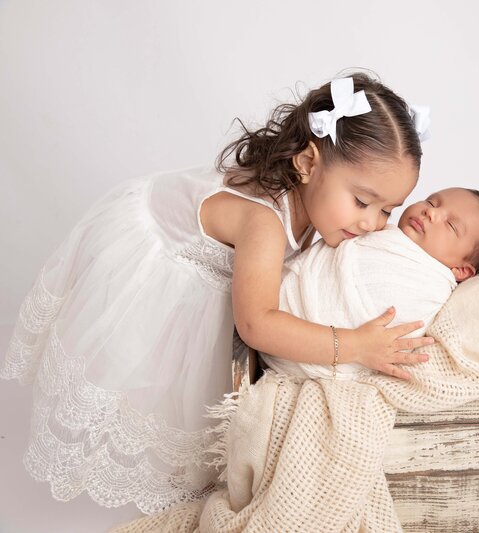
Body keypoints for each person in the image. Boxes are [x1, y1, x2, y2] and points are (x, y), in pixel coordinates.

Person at [0, 73, 434, 514]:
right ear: (307, 163)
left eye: (388, 210)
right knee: (154, 366)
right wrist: (355, 345)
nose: (373, 223)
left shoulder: (322, 209)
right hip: (163, 250)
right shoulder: (263, 222)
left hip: (211, 251)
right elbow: (257, 323)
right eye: (363, 202)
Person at [261, 187, 479, 380]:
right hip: (276, 319)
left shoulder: (429, 287)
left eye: (450, 224)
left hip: (303, 347)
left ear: (461, 270)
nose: (431, 212)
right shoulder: (379, 231)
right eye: (431, 201)